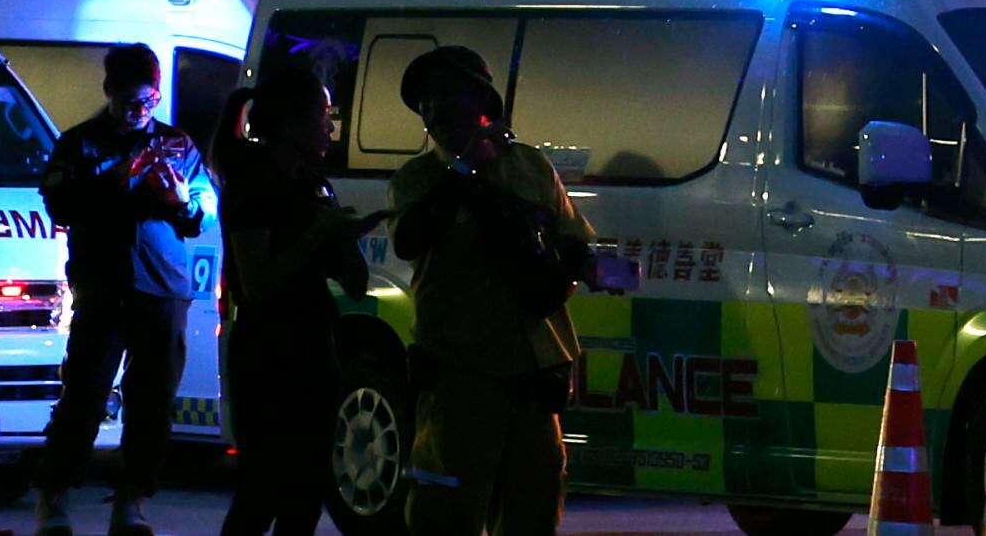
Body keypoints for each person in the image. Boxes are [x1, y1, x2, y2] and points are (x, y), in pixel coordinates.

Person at [389, 44, 596, 536]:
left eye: (447, 94)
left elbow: (575, 242)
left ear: (480, 100)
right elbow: (409, 239)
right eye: (425, 100)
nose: (433, 109)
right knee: (446, 515)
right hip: (460, 371)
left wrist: (581, 269)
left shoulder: (529, 166)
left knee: (533, 510)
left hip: (534, 371)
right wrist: (464, 170)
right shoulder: (418, 178)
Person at [35, 39, 207, 536]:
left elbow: (203, 213)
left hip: (164, 288)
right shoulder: (79, 143)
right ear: (109, 90)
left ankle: (132, 502)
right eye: (130, 100)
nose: (140, 110)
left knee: (154, 402)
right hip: (103, 287)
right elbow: (59, 205)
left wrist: (182, 202)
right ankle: (54, 496)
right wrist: (117, 181)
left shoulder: (178, 145)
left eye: (149, 100)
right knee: (85, 396)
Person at [214, 61, 370, 536]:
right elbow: (257, 284)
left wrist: (346, 238)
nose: (330, 128)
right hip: (267, 354)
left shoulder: (314, 185)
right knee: (260, 493)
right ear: (288, 123)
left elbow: (355, 284)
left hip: (314, 348)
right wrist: (319, 234)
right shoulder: (252, 183)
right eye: (323, 116)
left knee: (305, 495)